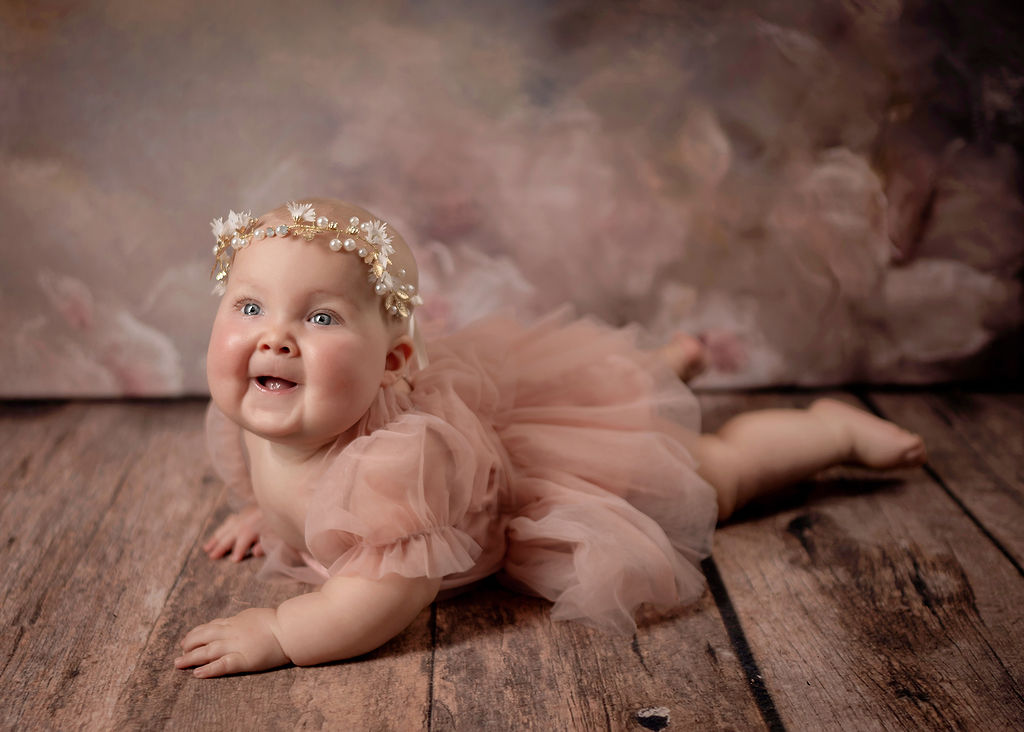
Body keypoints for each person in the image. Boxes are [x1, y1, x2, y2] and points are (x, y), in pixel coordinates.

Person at [175, 198, 927, 678]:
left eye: (320, 317)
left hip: (529, 485)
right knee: (600, 382)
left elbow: (378, 602)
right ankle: (659, 364)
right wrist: (273, 516)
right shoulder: (265, 410)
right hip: (489, 413)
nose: (272, 338)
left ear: (393, 363)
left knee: (710, 473)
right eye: (248, 307)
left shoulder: (392, 468)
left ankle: (827, 430)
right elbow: (298, 486)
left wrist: (278, 631)